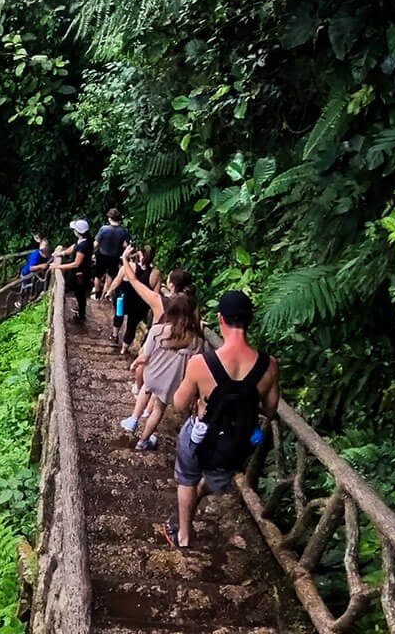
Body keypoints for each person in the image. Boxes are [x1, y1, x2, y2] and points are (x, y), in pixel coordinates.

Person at [163, 291, 280, 550]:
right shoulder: (269, 366)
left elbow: (179, 404)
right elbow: (270, 410)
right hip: (236, 441)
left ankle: (183, 536)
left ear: (220, 319)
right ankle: (203, 494)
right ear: (249, 321)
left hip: (200, 435)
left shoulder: (200, 363)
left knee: (186, 479)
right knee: (215, 476)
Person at [120, 292, 201, 449]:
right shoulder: (196, 340)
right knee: (158, 409)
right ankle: (143, 441)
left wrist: (135, 363)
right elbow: (193, 366)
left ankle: (133, 419)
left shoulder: (157, 331)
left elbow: (145, 356)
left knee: (146, 388)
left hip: (152, 376)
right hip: (171, 384)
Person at [48, 219, 94, 322]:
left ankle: (81, 316)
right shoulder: (84, 240)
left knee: (80, 293)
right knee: (78, 293)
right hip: (80, 272)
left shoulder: (84, 245)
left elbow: (76, 263)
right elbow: (74, 247)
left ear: (78, 231)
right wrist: (62, 253)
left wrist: (58, 267)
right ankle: (80, 308)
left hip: (80, 273)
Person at [93, 209, 130, 304]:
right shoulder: (123, 231)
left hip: (102, 255)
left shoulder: (104, 229)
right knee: (110, 277)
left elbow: (96, 244)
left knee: (98, 276)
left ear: (110, 218)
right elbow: (126, 245)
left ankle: (97, 295)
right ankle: (104, 296)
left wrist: (92, 252)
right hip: (114, 257)